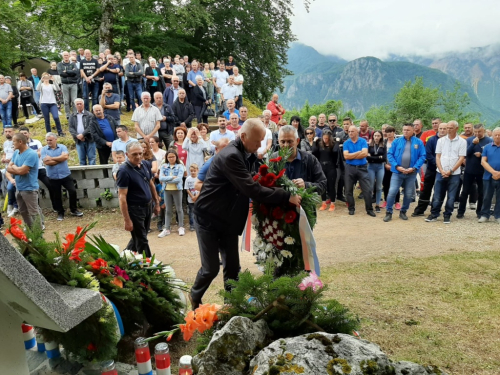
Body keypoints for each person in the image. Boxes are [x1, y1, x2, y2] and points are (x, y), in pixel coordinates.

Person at [190, 119, 301, 309]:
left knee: (233, 268)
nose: (260, 145)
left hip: (228, 220)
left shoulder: (247, 154)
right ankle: (194, 296)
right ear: (243, 137)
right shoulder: (231, 156)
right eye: (257, 141)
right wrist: (286, 196)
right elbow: (252, 189)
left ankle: (232, 305)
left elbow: (261, 177)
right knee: (211, 268)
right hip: (208, 217)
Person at [117, 142, 160, 257]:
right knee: (142, 240)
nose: (138, 157)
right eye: (134, 154)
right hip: (135, 210)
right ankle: (149, 265)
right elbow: (122, 197)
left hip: (147, 207)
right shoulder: (123, 171)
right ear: (127, 154)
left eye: (140, 153)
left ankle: (123, 257)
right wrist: (127, 219)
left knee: (139, 236)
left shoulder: (145, 164)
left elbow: (151, 184)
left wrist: (156, 203)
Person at [426, 121, 467, 224]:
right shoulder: (441, 141)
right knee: (437, 195)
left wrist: (451, 171)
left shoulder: (462, 142)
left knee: (451, 196)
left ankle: (447, 215)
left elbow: (461, 158)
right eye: (447, 128)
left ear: (456, 129)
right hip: (441, 172)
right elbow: (438, 156)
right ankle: (434, 214)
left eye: (451, 128)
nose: (448, 130)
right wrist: (441, 170)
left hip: (455, 173)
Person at [383, 124, 426, 222]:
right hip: (397, 172)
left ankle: (403, 211)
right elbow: (390, 154)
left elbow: (422, 156)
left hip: (411, 173)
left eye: (408, 130)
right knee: (392, 191)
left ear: (413, 131)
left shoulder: (418, 142)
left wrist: (414, 168)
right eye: (404, 130)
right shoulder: (397, 141)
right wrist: (397, 166)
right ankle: (388, 212)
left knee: (408, 194)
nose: (405, 131)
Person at [41, 133, 83, 221]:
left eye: (50, 140)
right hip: (53, 177)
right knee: (57, 195)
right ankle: (60, 212)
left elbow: (65, 157)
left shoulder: (62, 147)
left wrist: (52, 158)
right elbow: (47, 162)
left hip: (65, 175)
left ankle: (73, 209)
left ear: (55, 140)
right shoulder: (44, 150)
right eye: (47, 140)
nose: (49, 142)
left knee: (72, 191)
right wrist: (60, 158)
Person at [411, 122, 448, 217]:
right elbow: (428, 154)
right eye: (441, 128)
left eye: (445, 128)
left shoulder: (449, 141)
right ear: (438, 129)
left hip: (443, 170)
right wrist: (438, 164)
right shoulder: (431, 140)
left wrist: (442, 167)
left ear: (447, 129)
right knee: (426, 189)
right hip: (431, 168)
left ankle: (435, 210)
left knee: (439, 191)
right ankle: (420, 210)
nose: (442, 130)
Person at [7, 133, 42, 228]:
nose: (12, 143)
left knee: (33, 212)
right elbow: (8, 169)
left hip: (29, 188)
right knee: (23, 211)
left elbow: (22, 171)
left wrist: (15, 168)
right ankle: (31, 232)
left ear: (20, 142)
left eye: (14, 141)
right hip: (19, 187)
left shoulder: (31, 154)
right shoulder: (16, 153)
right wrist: (17, 168)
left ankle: (38, 234)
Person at [457, 124, 492, 219]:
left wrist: (481, 155)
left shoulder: (489, 141)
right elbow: (465, 153)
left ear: (483, 131)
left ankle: (479, 212)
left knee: (481, 193)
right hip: (469, 170)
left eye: (479, 132)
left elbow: (491, 156)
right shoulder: (469, 140)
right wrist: (473, 144)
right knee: (464, 192)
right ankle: (461, 211)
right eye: (475, 132)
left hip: (482, 171)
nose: (477, 134)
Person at [19, 126, 56, 212]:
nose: (24, 135)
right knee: (32, 190)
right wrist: (33, 155)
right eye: (21, 134)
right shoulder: (20, 145)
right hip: (29, 170)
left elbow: (40, 153)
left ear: (29, 133)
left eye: (25, 133)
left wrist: (28, 156)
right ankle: (36, 209)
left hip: (40, 168)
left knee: (50, 185)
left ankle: (55, 206)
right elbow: (21, 157)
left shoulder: (36, 142)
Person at [343, 126, 375, 216]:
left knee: (367, 190)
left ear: (357, 132)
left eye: (352, 131)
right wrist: (358, 153)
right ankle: (351, 208)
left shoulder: (363, 141)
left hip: (362, 168)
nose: (350, 133)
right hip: (350, 168)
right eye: (349, 131)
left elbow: (364, 154)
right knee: (348, 190)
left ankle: (369, 209)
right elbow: (346, 157)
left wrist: (351, 155)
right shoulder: (346, 143)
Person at [158, 149, 185, 237]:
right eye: (169, 157)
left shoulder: (180, 166)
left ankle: (181, 226)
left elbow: (179, 179)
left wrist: (167, 179)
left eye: (173, 156)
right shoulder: (164, 166)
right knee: (168, 210)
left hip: (177, 189)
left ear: (176, 157)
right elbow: (161, 178)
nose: (171, 158)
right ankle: (167, 228)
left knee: (179, 209)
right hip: (167, 190)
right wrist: (171, 178)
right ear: (166, 158)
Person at [313, 128, 341, 212]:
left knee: (331, 186)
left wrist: (337, 141)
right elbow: (314, 151)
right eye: (324, 138)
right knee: (323, 185)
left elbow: (336, 151)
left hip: (331, 167)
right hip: (322, 167)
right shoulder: (320, 144)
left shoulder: (333, 145)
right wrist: (314, 141)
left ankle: (332, 203)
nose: (325, 140)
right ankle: (323, 202)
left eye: (327, 138)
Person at [478, 128, 500, 223]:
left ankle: (498, 216)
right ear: (493, 135)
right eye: (496, 135)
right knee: (487, 196)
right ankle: (484, 215)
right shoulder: (487, 147)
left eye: (499, 135)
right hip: (488, 176)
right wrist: (493, 172)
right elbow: (483, 161)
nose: (498, 137)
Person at [69, 98, 96, 165]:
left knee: (92, 158)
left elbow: (91, 126)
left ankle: (92, 175)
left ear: (83, 104)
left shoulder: (90, 115)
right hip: (78, 140)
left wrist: (83, 134)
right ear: (75, 105)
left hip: (90, 139)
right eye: (77, 104)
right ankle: (84, 175)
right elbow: (71, 128)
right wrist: (77, 135)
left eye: (80, 103)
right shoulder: (72, 116)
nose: (79, 105)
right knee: (81, 159)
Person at [367, 131, 386, 213]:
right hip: (371, 167)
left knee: (378, 187)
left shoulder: (383, 146)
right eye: (375, 135)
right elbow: (367, 158)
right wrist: (378, 157)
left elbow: (384, 158)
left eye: (378, 135)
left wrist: (372, 157)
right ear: (373, 136)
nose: (376, 137)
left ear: (381, 136)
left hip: (380, 167)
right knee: (370, 187)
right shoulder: (369, 145)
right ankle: (369, 204)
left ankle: (377, 204)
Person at [381, 126, 399, 209]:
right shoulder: (383, 142)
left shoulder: (398, 141)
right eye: (387, 132)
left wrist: (394, 165)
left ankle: (397, 201)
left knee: (396, 184)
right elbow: (382, 154)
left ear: (394, 132)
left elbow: (400, 154)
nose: (389, 134)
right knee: (386, 183)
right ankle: (386, 200)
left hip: (396, 166)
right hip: (386, 166)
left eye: (390, 132)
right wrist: (385, 164)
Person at [57, 51, 79, 117]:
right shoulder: (60, 64)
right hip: (64, 84)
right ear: (62, 56)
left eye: (67, 55)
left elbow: (75, 72)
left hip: (73, 84)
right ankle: (68, 114)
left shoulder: (73, 64)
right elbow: (61, 73)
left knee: (74, 100)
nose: (66, 56)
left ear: (69, 56)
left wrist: (66, 71)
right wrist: (71, 72)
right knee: (66, 101)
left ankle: (75, 114)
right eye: (64, 55)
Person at [185, 163, 199, 231]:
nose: (193, 172)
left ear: (197, 170)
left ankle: (199, 225)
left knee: (199, 212)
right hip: (191, 200)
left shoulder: (199, 178)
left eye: (194, 170)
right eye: (191, 171)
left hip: (198, 199)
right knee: (191, 212)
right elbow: (187, 189)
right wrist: (192, 197)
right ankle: (192, 225)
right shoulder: (188, 179)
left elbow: (201, 188)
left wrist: (196, 196)